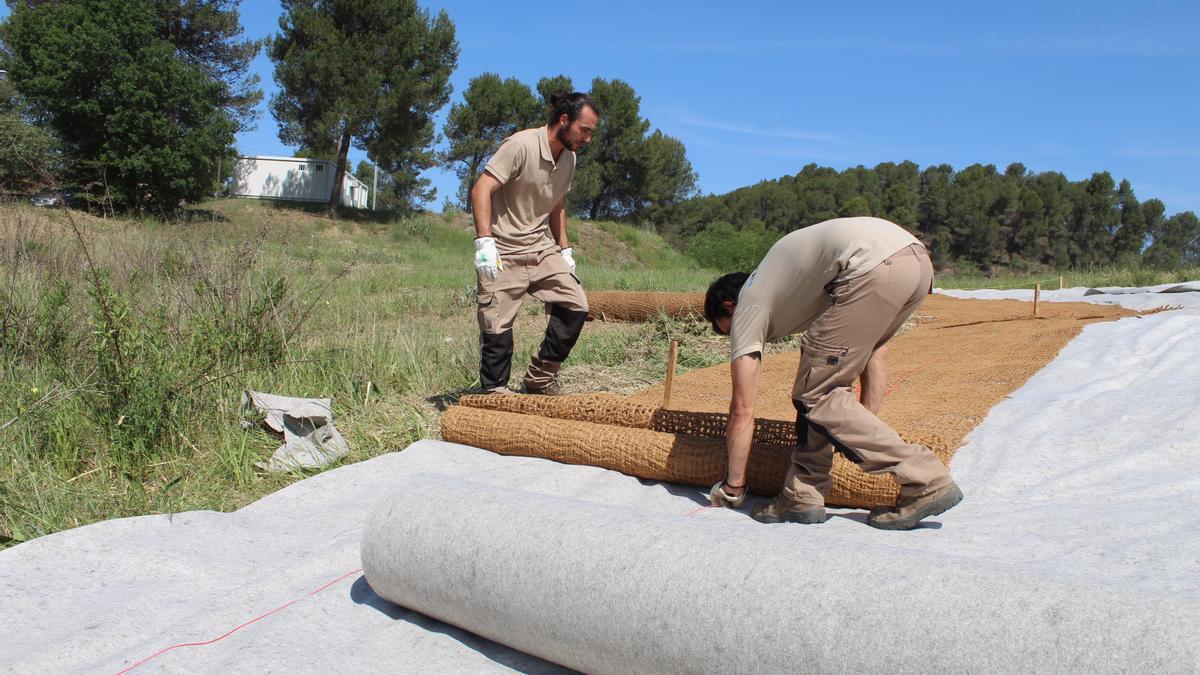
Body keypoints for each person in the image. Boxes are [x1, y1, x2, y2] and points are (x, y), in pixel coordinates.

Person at [703, 216, 962, 530]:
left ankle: (927, 480)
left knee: (817, 393)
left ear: (729, 307)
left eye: (724, 331)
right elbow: (875, 352)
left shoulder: (749, 302)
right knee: (819, 382)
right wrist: (859, 420)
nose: (731, 338)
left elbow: (742, 409)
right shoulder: (799, 286)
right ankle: (802, 495)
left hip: (871, 265)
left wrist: (733, 488)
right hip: (915, 263)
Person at [470, 92, 599, 395]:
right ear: (564, 120)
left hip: (541, 248)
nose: (588, 139)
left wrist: (564, 248)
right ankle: (494, 395)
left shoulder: (570, 157)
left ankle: (539, 379)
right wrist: (484, 242)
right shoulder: (520, 145)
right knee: (496, 328)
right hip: (503, 250)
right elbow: (481, 189)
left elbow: (557, 204)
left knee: (575, 304)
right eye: (585, 130)